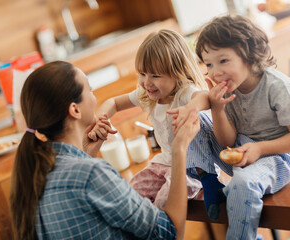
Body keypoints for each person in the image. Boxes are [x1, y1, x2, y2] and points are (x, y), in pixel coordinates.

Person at [9, 60, 201, 240]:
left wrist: (87, 154)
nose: (95, 97)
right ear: (75, 110)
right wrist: (179, 150)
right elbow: (169, 232)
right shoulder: (91, 174)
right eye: (90, 90)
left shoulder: (36, 174)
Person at [181, 15, 290, 239]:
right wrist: (218, 109)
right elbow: (227, 143)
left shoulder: (279, 87)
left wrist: (259, 149)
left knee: (241, 182)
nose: (215, 72)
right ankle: (210, 182)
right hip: (242, 154)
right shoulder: (230, 90)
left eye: (223, 61)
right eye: (209, 64)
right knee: (194, 120)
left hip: (279, 159)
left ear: (248, 56)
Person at [88, 29, 214, 209]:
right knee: (129, 195)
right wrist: (99, 120)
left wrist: (188, 109)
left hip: (193, 169)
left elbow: (206, 97)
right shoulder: (147, 95)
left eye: (155, 76)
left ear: (178, 72)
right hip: (164, 164)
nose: (146, 82)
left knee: (162, 202)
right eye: (142, 74)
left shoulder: (185, 93)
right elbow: (113, 102)